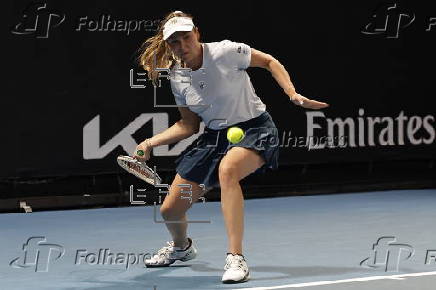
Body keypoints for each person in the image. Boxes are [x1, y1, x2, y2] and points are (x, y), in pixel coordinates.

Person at [133, 10, 329, 284]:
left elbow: (269, 62)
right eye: (174, 41)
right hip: (214, 138)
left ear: (197, 33)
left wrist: (292, 94)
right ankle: (182, 248)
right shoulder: (177, 77)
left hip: (256, 129)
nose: (182, 45)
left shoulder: (226, 52)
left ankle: (236, 258)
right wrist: (149, 142)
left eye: (186, 37)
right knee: (170, 210)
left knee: (228, 171)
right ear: (168, 45)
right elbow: (188, 125)